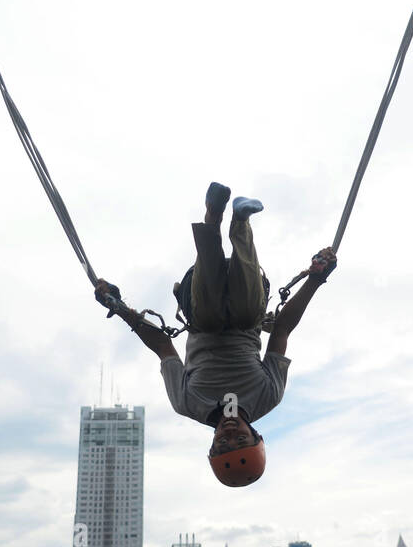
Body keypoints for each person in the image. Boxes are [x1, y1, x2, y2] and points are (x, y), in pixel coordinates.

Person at [94, 182, 336, 487]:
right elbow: (282, 329)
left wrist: (119, 308)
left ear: (211, 446)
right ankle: (240, 222)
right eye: (241, 441)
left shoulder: (188, 402)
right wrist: (316, 279)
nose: (230, 435)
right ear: (256, 435)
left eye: (223, 446)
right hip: (247, 303)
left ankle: (212, 218)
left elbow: (163, 345)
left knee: (208, 320)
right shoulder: (267, 396)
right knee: (248, 314)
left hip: (200, 304)